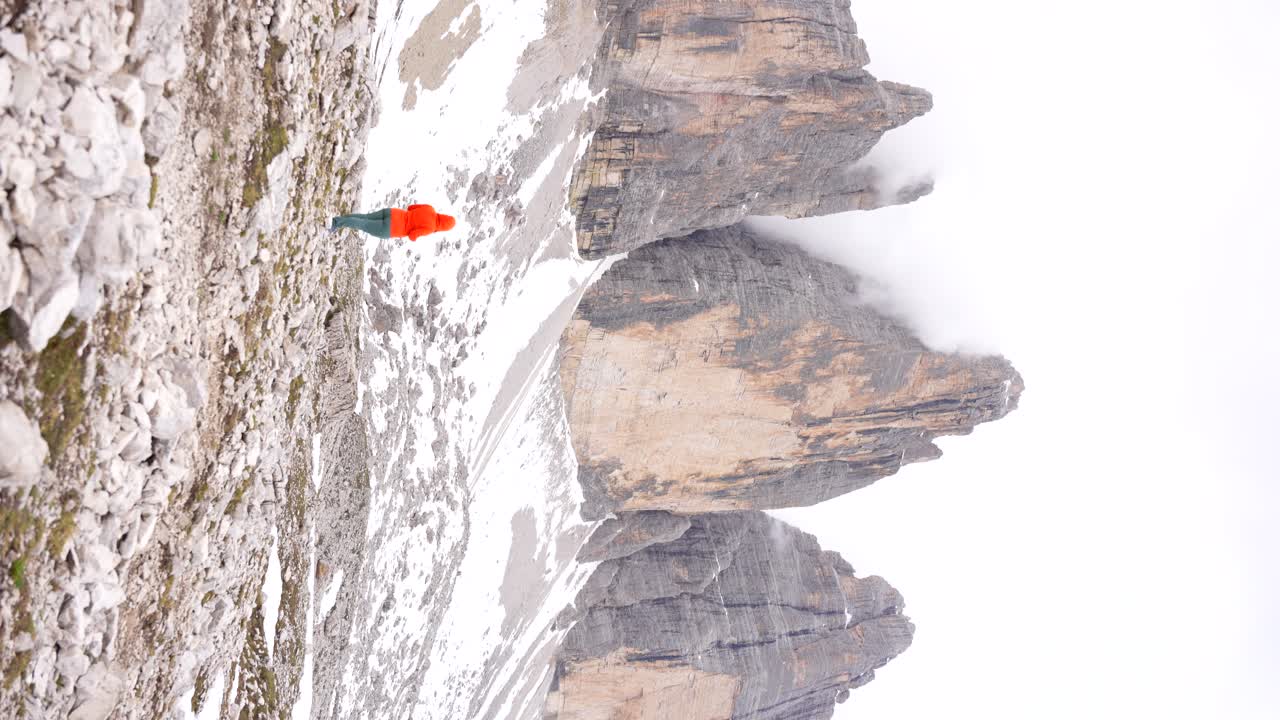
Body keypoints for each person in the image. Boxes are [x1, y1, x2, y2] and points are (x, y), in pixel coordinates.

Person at [328, 204, 457, 240]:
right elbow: (413, 235)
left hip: (393, 213)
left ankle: (339, 219)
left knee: (365, 217)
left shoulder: (430, 209)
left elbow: (410, 207)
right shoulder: (430, 228)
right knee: (364, 224)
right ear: (443, 228)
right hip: (391, 229)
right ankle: (335, 223)